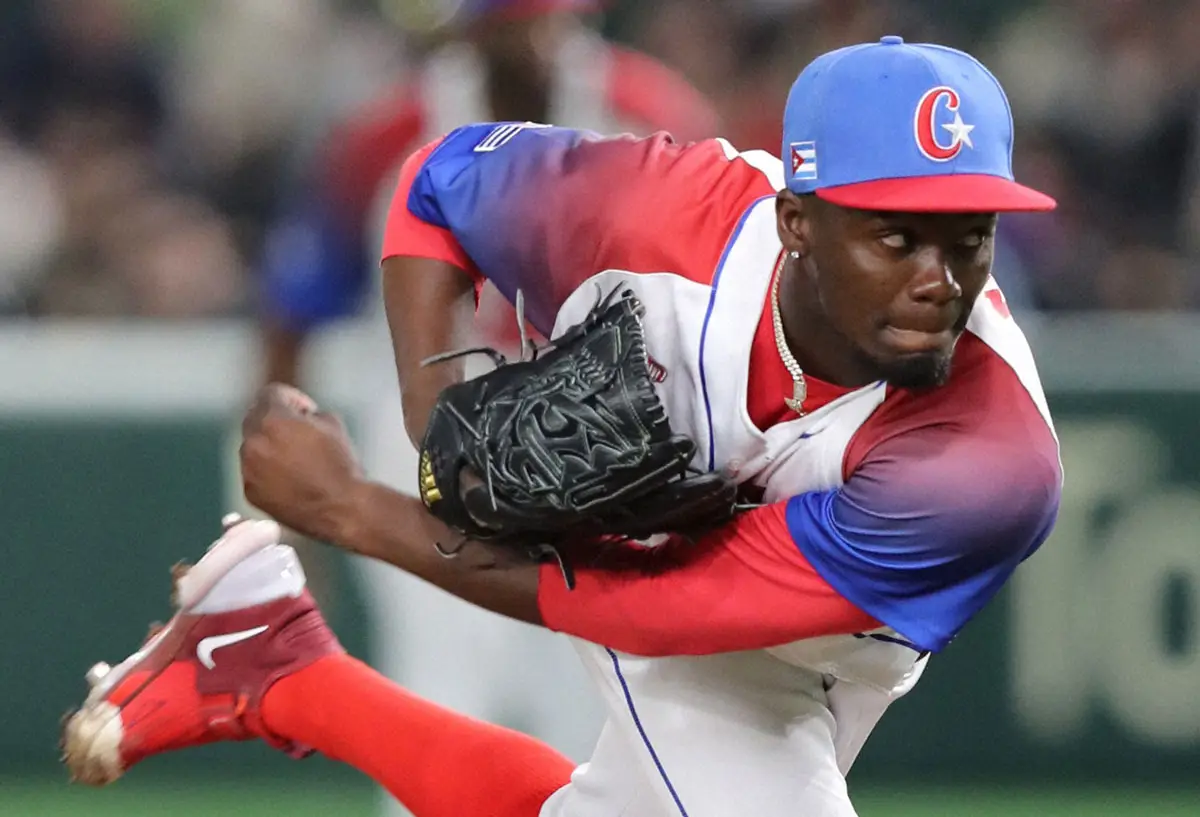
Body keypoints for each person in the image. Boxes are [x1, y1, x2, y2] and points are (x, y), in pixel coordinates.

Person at [63, 37, 1063, 816]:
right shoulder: (649, 209)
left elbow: (659, 610)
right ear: (798, 221)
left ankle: (273, 662)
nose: (940, 280)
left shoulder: (985, 462)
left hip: (801, 612)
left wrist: (355, 510)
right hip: (654, 528)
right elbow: (435, 187)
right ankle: (273, 660)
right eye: (896, 234)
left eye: (969, 236)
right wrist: (438, 424)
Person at [253, 0, 720, 767]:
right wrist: (283, 526)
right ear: (470, 28)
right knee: (441, 700)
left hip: (606, 439)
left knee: (605, 716)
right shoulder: (383, 135)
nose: (534, 38)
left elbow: (723, 306)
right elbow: (288, 321)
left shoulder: (651, 115)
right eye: (513, 21)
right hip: (427, 439)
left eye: (546, 19)